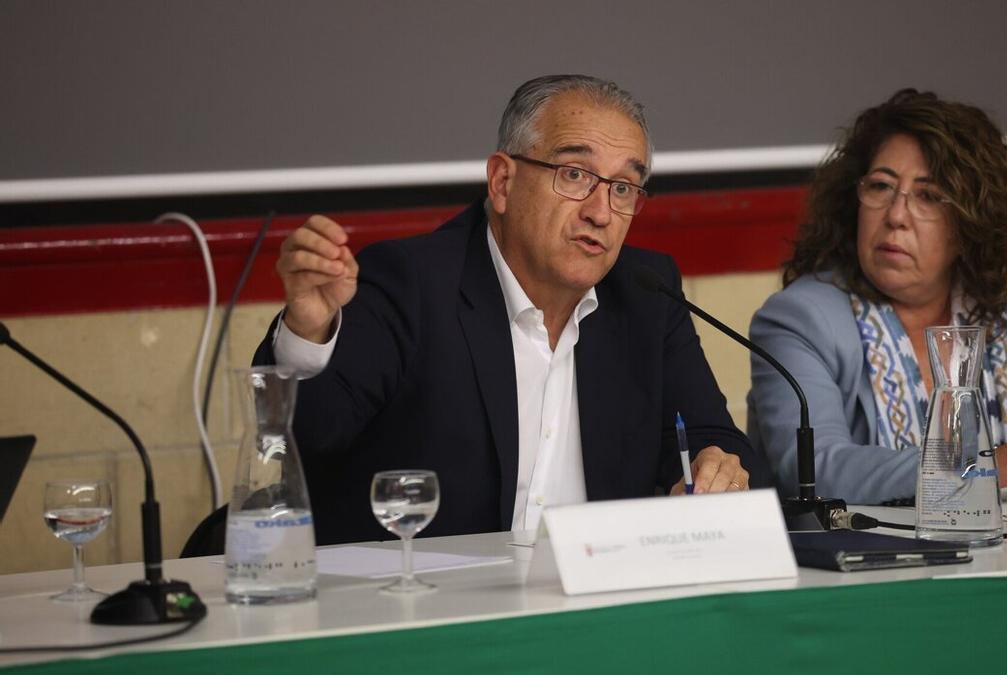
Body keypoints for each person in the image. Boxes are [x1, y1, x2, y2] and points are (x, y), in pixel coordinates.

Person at [256, 74, 764, 545]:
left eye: (624, 187)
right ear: (502, 182)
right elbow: (300, 442)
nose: (601, 211)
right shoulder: (412, 282)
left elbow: (713, 439)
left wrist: (716, 466)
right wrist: (309, 328)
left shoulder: (647, 294)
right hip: (429, 610)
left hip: (593, 608)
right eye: (574, 174)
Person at [746, 89, 1007, 505]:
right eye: (880, 186)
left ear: (972, 223)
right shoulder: (802, 318)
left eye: (929, 196)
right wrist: (978, 466)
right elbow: (816, 469)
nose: (895, 216)